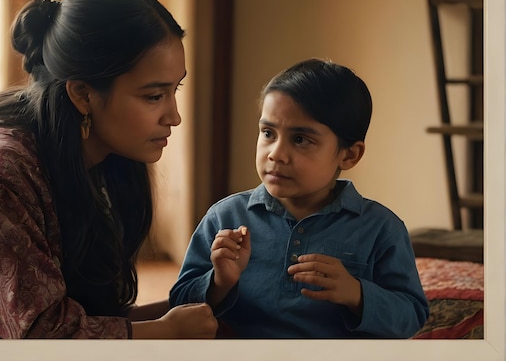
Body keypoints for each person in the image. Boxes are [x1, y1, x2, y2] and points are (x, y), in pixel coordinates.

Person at [0, 0, 217, 339]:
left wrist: (205, 297)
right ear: (82, 94)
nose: (174, 116)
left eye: (173, 89)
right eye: (153, 96)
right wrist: (167, 333)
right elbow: (45, 337)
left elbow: (87, 313)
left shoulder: (95, 152)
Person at [169, 58, 429, 338]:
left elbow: (412, 316)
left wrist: (357, 294)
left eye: (301, 139)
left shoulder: (381, 229)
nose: (276, 154)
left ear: (348, 154)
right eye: (268, 133)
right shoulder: (225, 218)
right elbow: (179, 306)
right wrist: (220, 281)